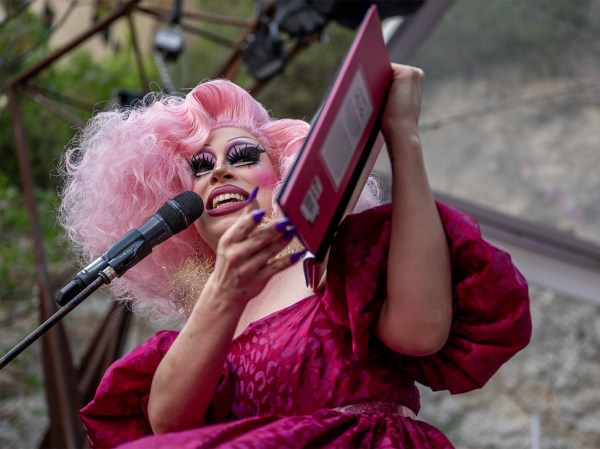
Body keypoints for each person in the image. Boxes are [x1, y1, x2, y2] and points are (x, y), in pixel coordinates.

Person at [59, 64, 531, 448]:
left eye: (243, 157)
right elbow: (169, 426)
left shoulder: (336, 258)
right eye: (198, 169)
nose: (220, 170)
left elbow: (421, 334)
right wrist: (224, 291)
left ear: (284, 175)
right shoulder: (207, 321)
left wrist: (402, 136)